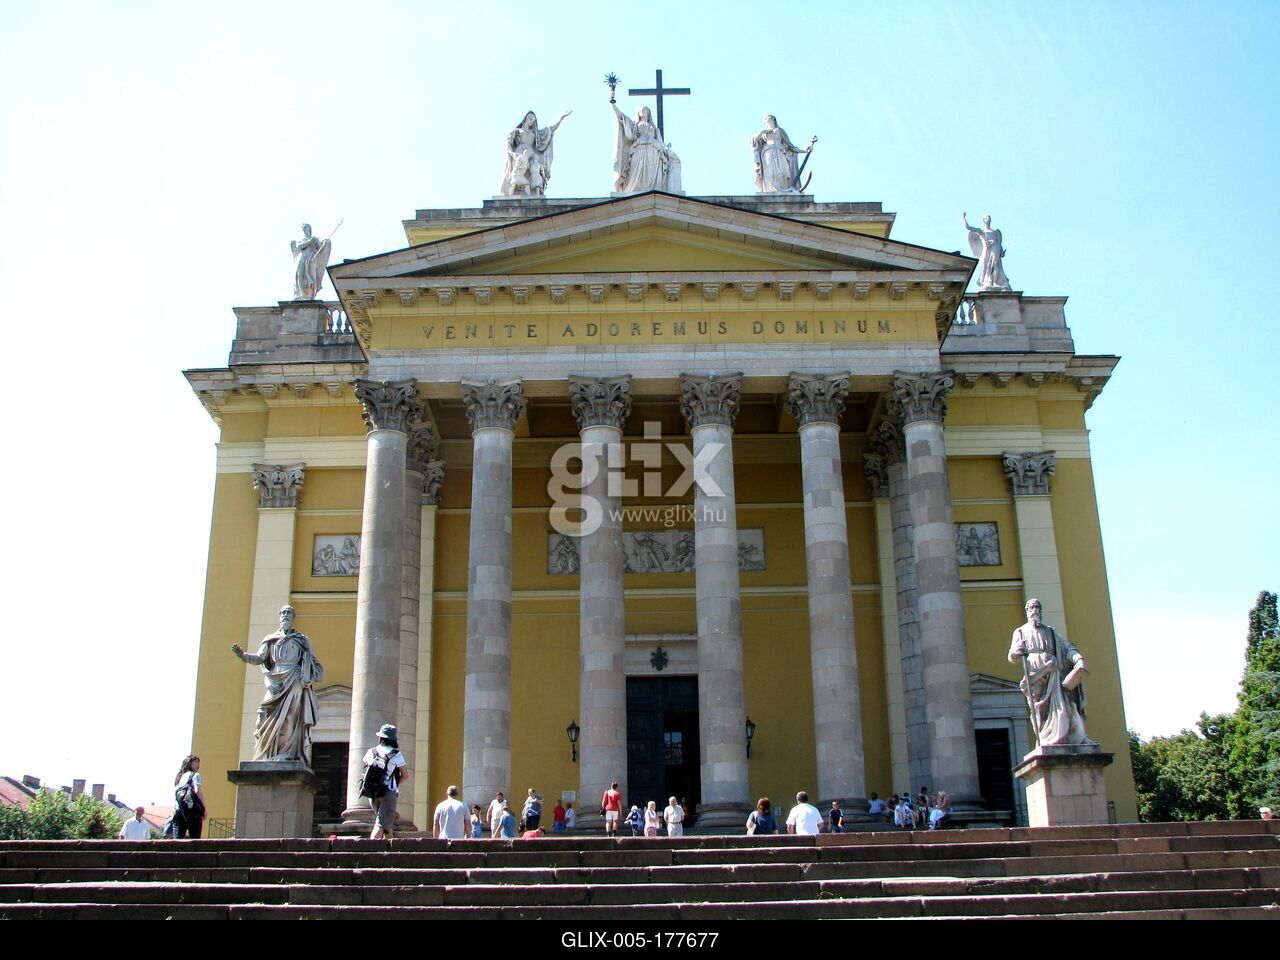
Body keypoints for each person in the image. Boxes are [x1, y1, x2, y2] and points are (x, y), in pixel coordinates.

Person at [231, 604, 325, 763]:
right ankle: (267, 753)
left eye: (289, 613)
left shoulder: (302, 640)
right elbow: (259, 658)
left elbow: (313, 662)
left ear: (293, 618)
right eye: (283, 613)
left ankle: (286, 753)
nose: (285, 615)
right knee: (264, 712)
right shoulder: (270, 640)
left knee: (289, 716)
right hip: (275, 680)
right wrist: (243, 655)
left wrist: (308, 671)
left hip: (294, 679)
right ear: (279, 617)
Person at [1009, 598, 1093, 746]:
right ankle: (1044, 739)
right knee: (1039, 711)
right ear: (1027, 611)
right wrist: (1016, 652)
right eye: (1031, 608)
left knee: (1064, 706)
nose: (1035, 611)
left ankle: (1073, 737)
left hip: (1054, 672)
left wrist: (1078, 659)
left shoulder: (1051, 632)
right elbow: (1012, 656)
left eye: (1037, 608)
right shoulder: (1020, 632)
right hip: (1035, 676)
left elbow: (1067, 648)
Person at [610, 99, 679, 194]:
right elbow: (621, 117)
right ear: (639, 113)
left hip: (654, 150)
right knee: (636, 174)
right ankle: (635, 191)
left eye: (646, 110)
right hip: (639, 149)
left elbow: (661, 143)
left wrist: (667, 151)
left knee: (651, 172)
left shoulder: (654, 128)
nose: (644, 112)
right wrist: (613, 104)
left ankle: (653, 192)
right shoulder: (635, 124)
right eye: (643, 110)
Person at [499, 109, 571, 196]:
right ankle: (513, 190)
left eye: (533, 119)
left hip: (530, 155)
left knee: (534, 172)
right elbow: (509, 144)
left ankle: (534, 191)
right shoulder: (516, 131)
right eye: (530, 118)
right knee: (517, 173)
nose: (531, 120)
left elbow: (551, 129)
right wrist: (512, 154)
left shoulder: (536, 134)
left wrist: (561, 118)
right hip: (519, 154)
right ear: (525, 119)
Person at [361, 723, 406, 840]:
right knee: (380, 825)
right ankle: (371, 848)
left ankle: (390, 848)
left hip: (372, 792)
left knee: (386, 824)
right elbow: (405, 775)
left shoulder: (371, 751)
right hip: (388, 792)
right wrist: (396, 783)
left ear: (380, 738)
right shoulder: (396, 754)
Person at [751, 114, 812, 193]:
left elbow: (790, 146)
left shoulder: (780, 131)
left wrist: (804, 150)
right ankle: (769, 191)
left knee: (782, 172)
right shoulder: (764, 133)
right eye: (766, 119)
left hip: (780, 153)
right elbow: (754, 140)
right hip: (767, 153)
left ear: (773, 120)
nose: (767, 120)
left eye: (768, 118)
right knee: (770, 172)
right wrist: (762, 132)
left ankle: (783, 190)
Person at [963, 212, 1012, 292]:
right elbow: (968, 227)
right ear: (983, 220)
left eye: (989, 218)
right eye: (986, 218)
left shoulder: (995, 232)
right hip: (986, 249)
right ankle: (987, 281)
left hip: (995, 247)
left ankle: (995, 282)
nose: (988, 219)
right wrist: (964, 218)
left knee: (996, 264)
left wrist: (1001, 251)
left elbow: (999, 243)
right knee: (985, 265)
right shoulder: (981, 231)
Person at [289, 223, 332, 301]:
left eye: (306, 228)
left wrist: (325, 243)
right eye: (303, 228)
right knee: (300, 275)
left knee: (311, 275)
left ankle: (310, 294)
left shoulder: (315, 239)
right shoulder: (301, 240)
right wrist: (311, 241)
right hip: (302, 258)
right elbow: (299, 246)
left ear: (309, 229)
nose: (305, 230)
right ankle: (302, 294)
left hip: (312, 259)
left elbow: (320, 249)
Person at [173, 755, 205, 839]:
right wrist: (204, 809)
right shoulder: (195, 775)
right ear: (189, 763)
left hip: (179, 811)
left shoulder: (179, 777)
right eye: (195, 762)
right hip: (192, 812)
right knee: (195, 840)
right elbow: (197, 791)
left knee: (177, 840)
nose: (198, 765)